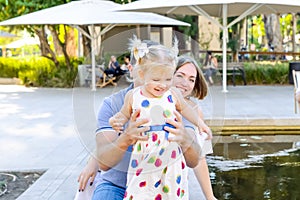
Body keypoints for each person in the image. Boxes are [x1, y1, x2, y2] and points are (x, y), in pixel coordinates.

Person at [108, 39, 211, 199]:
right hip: (144, 155)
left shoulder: (173, 95)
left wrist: (200, 123)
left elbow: (186, 109)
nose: (163, 85)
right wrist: (116, 121)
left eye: (168, 79)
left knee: (170, 192)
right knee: (140, 192)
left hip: (170, 155)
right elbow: (122, 115)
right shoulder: (133, 96)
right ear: (142, 74)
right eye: (156, 80)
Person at [174, 55, 217, 200]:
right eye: (180, 75)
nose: (185, 83)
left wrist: (210, 196)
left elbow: (201, 157)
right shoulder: (157, 104)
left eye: (191, 79)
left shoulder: (196, 111)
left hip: (187, 182)